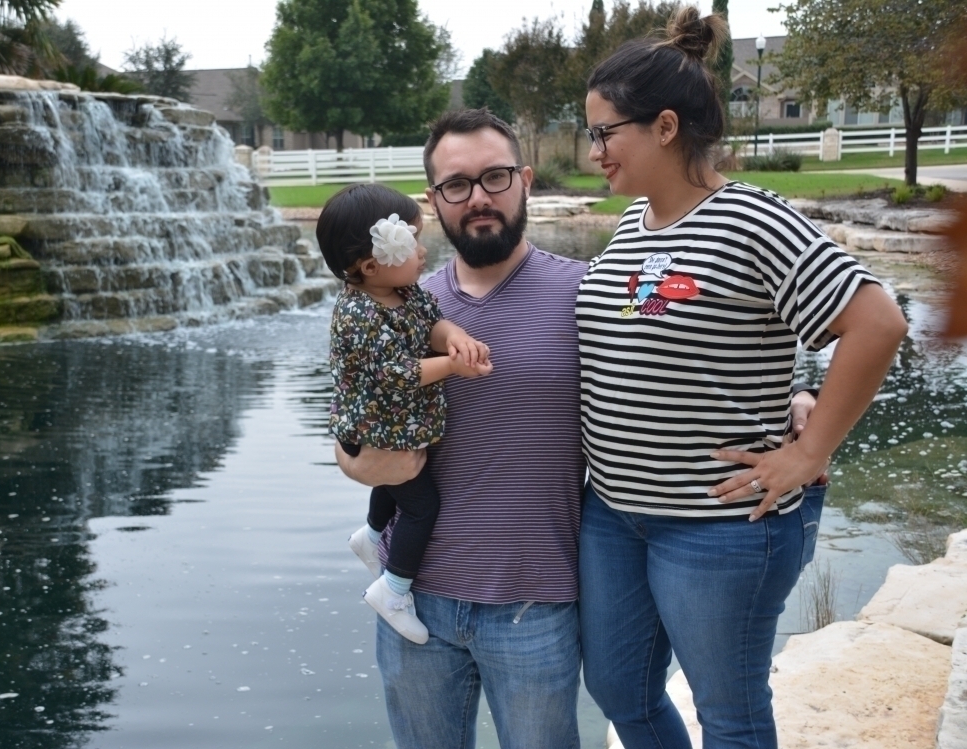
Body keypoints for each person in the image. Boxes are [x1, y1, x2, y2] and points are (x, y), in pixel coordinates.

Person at [334, 108, 824, 748]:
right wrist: (353, 460)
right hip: (411, 599)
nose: (478, 197)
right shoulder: (401, 309)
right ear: (432, 201)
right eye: (456, 184)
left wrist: (797, 395)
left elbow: (684, 351)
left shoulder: (590, 293)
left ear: (525, 180)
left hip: (535, 608)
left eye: (495, 176)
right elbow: (355, 412)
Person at [575, 8, 908, 749]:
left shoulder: (753, 218)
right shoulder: (633, 224)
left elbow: (877, 322)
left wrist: (810, 451)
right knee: (620, 689)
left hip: (717, 526)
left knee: (729, 716)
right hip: (616, 515)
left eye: (604, 133)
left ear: (665, 127)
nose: (593, 151)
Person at [318, 183, 492, 645]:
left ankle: (372, 535)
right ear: (371, 266)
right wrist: (453, 366)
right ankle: (393, 591)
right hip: (371, 430)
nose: (423, 250)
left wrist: (454, 338)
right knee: (421, 505)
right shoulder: (359, 314)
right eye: (412, 243)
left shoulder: (404, 292)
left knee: (399, 482)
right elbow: (396, 374)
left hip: (394, 427)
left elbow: (431, 324)